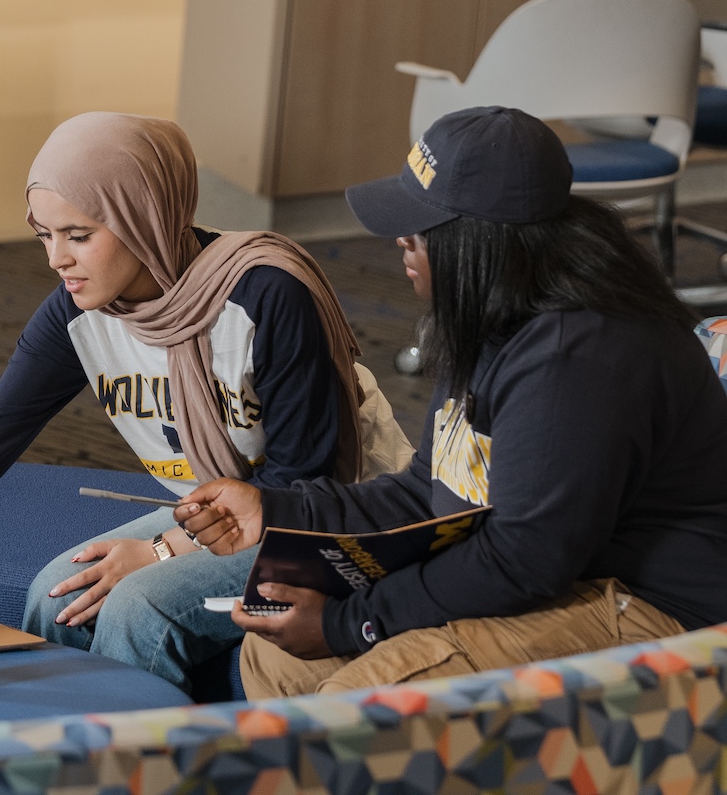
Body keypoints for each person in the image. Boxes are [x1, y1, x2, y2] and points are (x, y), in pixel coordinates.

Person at [0, 111, 413, 693]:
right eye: (44, 235)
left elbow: (301, 483)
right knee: (54, 589)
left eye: (78, 236)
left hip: (335, 517)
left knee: (140, 606)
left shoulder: (268, 293)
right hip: (213, 514)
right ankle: (45, 756)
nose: (56, 259)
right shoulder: (80, 309)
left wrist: (162, 550)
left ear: (146, 219)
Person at [176, 105, 727, 698]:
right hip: (567, 573)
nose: (401, 240)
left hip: (657, 609)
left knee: (356, 710)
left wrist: (347, 623)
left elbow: (522, 561)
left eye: (422, 228)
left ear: (482, 242)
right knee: (276, 656)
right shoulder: (494, 314)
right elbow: (433, 491)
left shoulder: (577, 353)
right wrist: (277, 510)